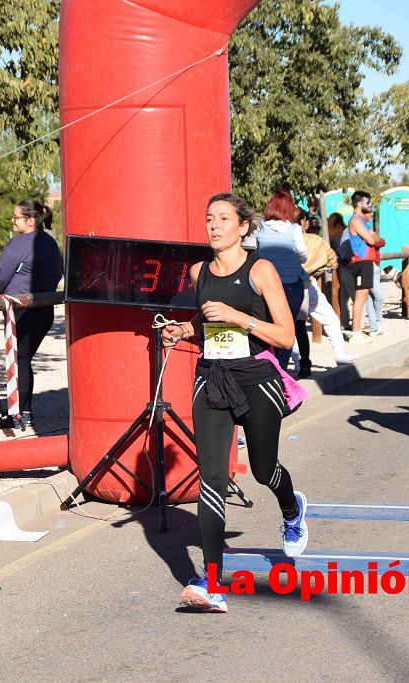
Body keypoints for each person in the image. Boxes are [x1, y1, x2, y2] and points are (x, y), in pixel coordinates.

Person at [163, 193, 308, 613]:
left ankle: (291, 506)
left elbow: (285, 336)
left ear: (243, 227)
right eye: (209, 218)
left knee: (264, 469)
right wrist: (184, 331)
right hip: (211, 377)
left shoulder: (260, 270)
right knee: (211, 477)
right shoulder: (197, 272)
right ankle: (213, 584)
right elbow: (204, 321)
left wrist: (237, 315)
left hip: (256, 378)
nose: (213, 226)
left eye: (223, 218)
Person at [0, 200, 63, 431]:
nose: (13, 221)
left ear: (30, 220)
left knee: (19, 359)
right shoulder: (51, 243)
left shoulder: (18, 244)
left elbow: (2, 276)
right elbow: (57, 273)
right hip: (45, 308)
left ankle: (20, 412)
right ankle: (23, 409)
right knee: (24, 358)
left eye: (16, 217)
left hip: (20, 309)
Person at [297, 212, 355, 376]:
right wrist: (316, 270)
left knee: (292, 325)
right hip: (306, 283)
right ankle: (339, 353)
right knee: (329, 318)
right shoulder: (315, 241)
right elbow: (332, 260)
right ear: (304, 223)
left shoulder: (272, 239)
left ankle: (295, 359)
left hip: (279, 285)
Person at [256, 189, 309, 369]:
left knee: (267, 328)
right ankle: (282, 371)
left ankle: (268, 369)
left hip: (266, 286)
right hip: (291, 286)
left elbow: (252, 251)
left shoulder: (260, 228)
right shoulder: (294, 229)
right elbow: (303, 256)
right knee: (288, 330)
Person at [340, 191, 385, 343]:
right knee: (360, 299)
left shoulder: (362, 222)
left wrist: (374, 239)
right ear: (359, 204)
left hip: (366, 262)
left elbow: (378, 239)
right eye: (368, 203)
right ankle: (355, 332)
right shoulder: (355, 221)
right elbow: (373, 241)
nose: (370, 206)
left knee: (363, 297)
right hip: (360, 262)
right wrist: (372, 239)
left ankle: (357, 331)